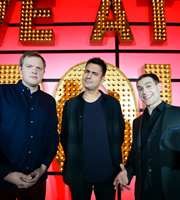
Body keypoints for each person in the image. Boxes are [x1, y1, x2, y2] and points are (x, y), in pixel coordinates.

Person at [60, 57, 125, 200]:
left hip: (108, 175)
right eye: (87, 71)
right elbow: (64, 136)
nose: (88, 76)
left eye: (95, 74)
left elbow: (119, 133)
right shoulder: (71, 105)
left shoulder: (112, 104)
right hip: (78, 176)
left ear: (102, 79)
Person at [0, 51, 59, 200]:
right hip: (2, 181)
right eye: (29, 66)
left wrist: (42, 169)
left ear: (44, 72)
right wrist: (5, 173)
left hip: (36, 182)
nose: (34, 70)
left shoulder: (49, 101)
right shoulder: (2, 92)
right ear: (20, 69)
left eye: (39, 68)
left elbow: (53, 138)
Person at [113, 73, 180, 200]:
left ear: (159, 86)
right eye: (140, 88)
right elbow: (135, 155)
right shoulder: (137, 122)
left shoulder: (178, 114)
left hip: (172, 190)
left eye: (148, 86)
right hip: (144, 192)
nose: (145, 91)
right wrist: (127, 173)